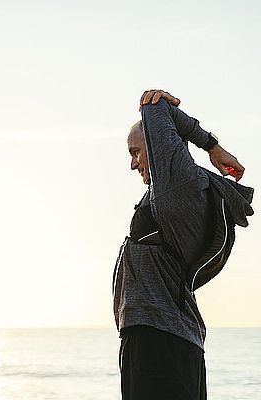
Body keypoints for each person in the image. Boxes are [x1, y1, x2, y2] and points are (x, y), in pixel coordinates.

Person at [112, 89, 254, 399]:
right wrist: (213, 148)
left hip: (158, 339)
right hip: (164, 337)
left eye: (136, 151)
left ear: (162, 146)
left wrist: (212, 147)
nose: (133, 164)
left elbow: (156, 107)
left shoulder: (178, 185)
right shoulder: (180, 189)